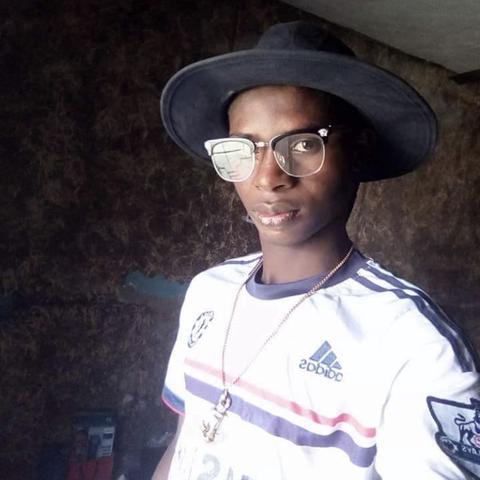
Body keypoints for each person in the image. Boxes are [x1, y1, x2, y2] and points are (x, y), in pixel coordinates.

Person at [153, 21, 480, 479]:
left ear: (358, 152)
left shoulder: (413, 346)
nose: (267, 178)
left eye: (304, 144)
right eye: (244, 148)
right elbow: (186, 439)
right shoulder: (210, 290)